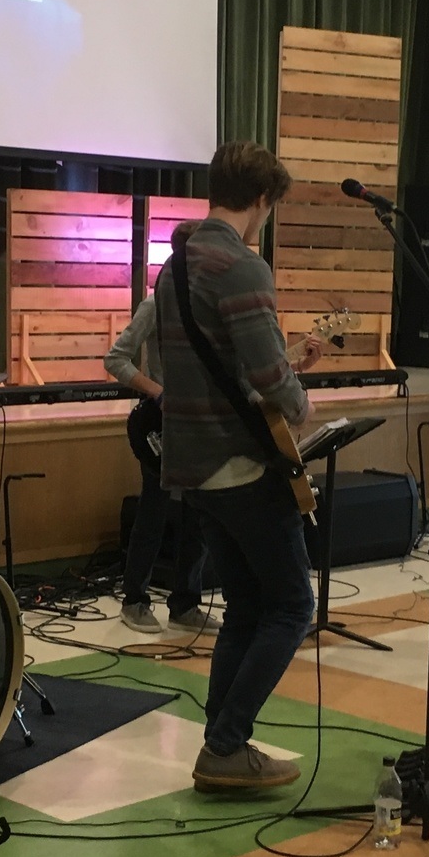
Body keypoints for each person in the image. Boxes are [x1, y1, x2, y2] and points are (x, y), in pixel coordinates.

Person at [154, 141, 324, 793]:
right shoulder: (243, 267)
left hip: (191, 464)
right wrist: (299, 403)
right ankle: (226, 743)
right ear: (261, 199)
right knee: (291, 606)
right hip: (239, 463)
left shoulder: (174, 265)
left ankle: (219, 745)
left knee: (246, 607)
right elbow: (268, 375)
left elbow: (214, 366)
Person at [103, 292, 215, 635]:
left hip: (201, 424)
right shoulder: (156, 305)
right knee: (153, 511)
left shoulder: (211, 304)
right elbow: (116, 358)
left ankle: (186, 604)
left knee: (199, 515)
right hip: (163, 426)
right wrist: (159, 393)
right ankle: (134, 600)